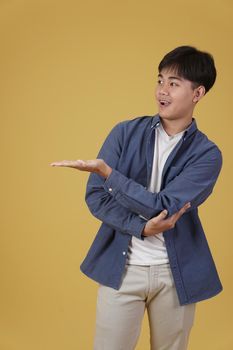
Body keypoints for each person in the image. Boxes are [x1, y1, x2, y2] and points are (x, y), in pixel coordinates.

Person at [50, 46, 223, 350]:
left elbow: (163, 207)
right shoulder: (124, 132)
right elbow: (96, 198)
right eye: (160, 80)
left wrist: (109, 175)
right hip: (122, 269)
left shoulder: (207, 155)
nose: (162, 91)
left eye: (174, 83)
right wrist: (139, 228)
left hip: (176, 274)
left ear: (197, 94)